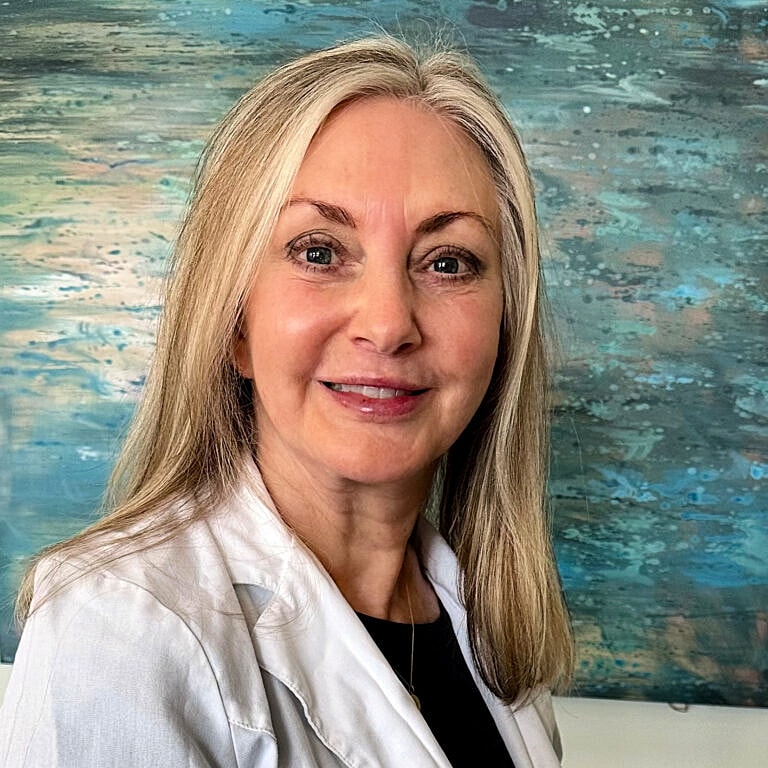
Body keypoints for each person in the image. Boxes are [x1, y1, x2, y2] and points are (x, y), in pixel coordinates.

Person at [0, 35, 573, 767]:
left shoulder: (487, 627)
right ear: (235, 321)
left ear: (503, 326)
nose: (389, 323)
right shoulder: (119, 625)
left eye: (448, 261)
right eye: (319, 252)